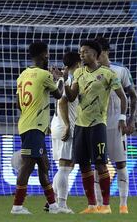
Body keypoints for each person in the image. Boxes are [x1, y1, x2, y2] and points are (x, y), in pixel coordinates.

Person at [63, 40, 127, 214]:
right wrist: (64, 80)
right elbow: (71, 97)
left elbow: (123, 97)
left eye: (85, 51)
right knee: (83, 165)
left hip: (98, 125)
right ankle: (92, 205)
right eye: (80, 51)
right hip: (80, 125)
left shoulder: (108, 74)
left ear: (95, 54)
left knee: (100, 165)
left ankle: (105, 205)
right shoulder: (78, 73)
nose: (81, 54)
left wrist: (122, 117)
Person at [11, 42, 68, 214]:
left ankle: (52, 205)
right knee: (27, 165)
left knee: (43, 165)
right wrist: (60, 78)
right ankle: (17, 206)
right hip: (34, 127)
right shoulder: (44, 75)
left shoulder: (22, 75)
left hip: (28, 124)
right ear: (44, 54)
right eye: (47, 53)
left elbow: (18, 104)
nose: (48, 56)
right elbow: (58, 94)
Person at [94, 37, 137, 214]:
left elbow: (132, 95)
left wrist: (131, 120)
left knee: (120, 164)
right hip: (96, 126)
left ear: (105, 52)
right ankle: (100, 205)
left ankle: (123, 205)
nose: (96, 58)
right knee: (98, 165)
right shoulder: (88, 72)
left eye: (98, 54)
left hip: (117, 126)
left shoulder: (120, 71)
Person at [50, 52, 81, 214]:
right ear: (78, 63)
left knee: (68, 166)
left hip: (58, 125)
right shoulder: (70, 79)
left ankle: (53, 202)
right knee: (64, 167)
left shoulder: (64, 78)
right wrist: (68, 125)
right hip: (65, 125)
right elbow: (62, 102)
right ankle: (61, 205)